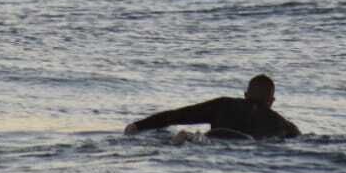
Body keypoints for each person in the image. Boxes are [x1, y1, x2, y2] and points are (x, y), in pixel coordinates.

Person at [123, 74, 301, 140]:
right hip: (245, 142)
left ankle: (187, 137)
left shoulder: (223, 104)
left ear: (245, 95)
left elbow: (176, 116)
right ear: (271, 101)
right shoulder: (284, 125)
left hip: (216, 136)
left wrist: (138, 125)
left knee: (195, 139)